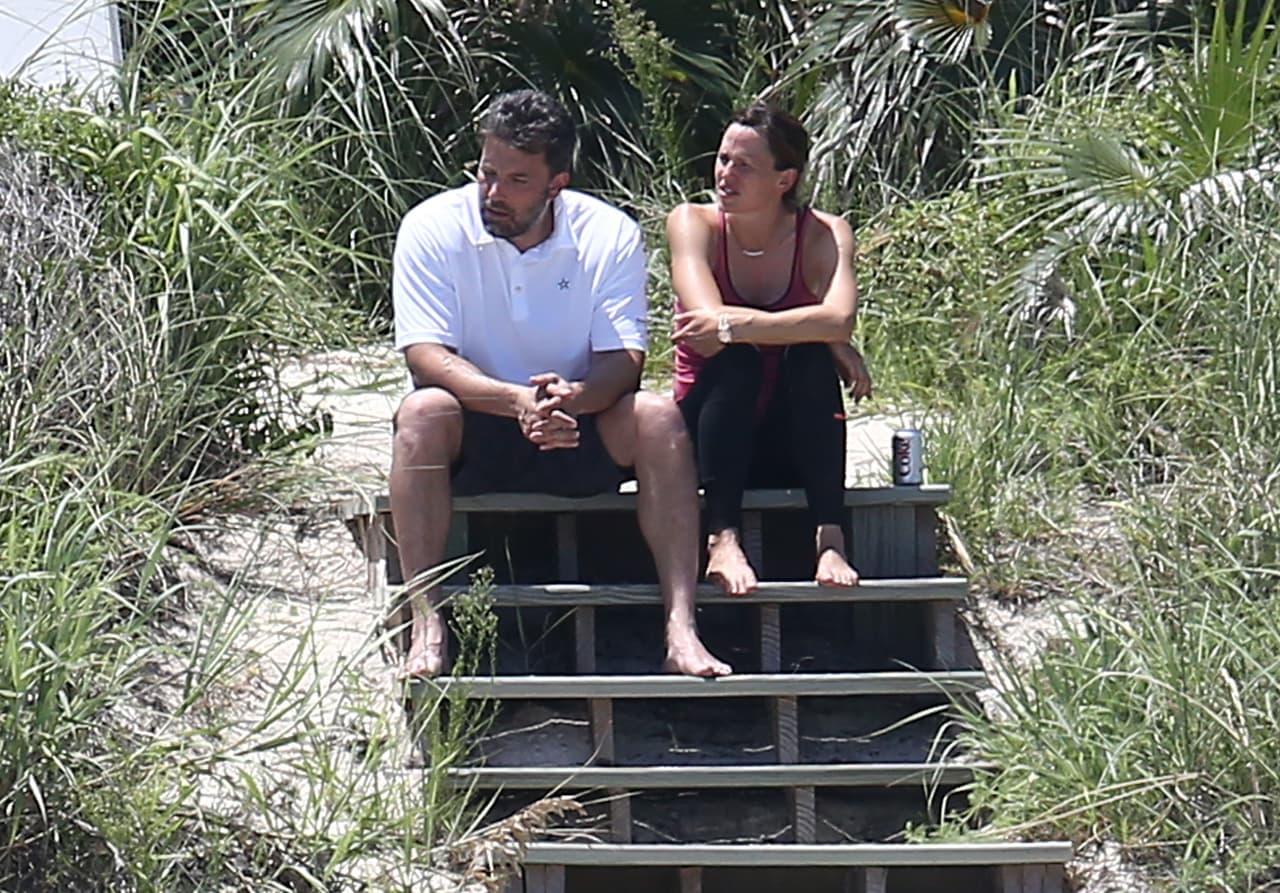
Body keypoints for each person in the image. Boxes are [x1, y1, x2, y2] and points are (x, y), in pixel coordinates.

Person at [390, 89, 731, 679]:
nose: (493, 194)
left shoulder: (608, 233)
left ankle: (681, 627)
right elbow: (425, 353)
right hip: (478, 429)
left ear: (557, 184)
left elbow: (624, 357)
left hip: (579, 424)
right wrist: (516, 401)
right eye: (486, 173)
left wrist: (576, 400)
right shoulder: (432, 227)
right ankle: (426, 621)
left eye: (516, 181)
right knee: (421, 411)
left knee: (656, 415)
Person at [667, 103, 873, 597]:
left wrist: (824, 336)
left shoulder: (824, 233)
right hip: (711, 433)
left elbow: (841, 317)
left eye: (744, 165)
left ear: (785, 180)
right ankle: (722, 536)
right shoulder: (694, 223)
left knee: (809, 362)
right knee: (737, 359)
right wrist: (815, 330)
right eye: (722, 160)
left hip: (792, 436)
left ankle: (829, 536)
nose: (725, 175)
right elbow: (706, 322)